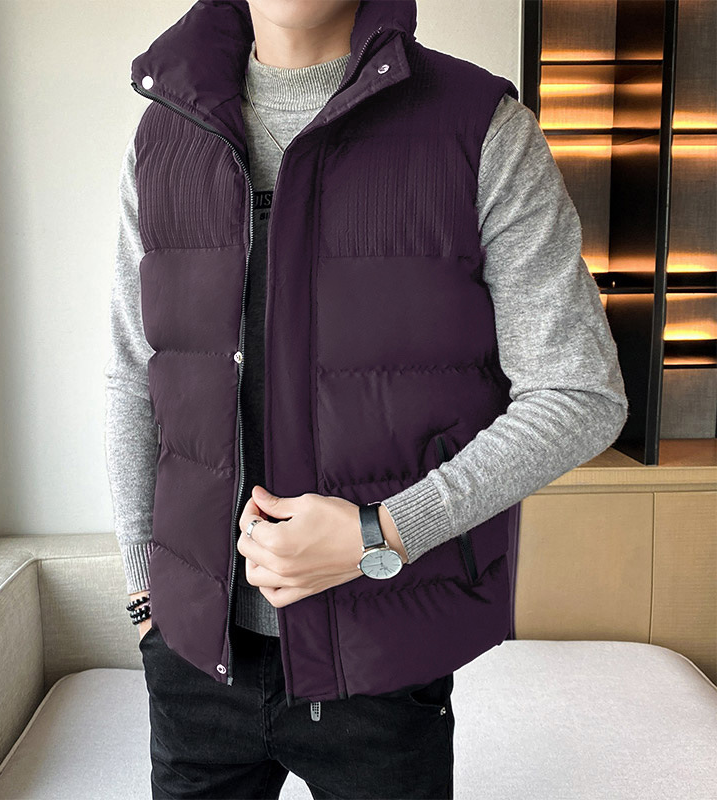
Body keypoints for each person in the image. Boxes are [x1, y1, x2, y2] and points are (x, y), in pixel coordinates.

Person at [104, 1, 628, 797]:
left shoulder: (479, 127)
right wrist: (146, 591)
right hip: (194, 664)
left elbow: (580, 391)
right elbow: (133, 372)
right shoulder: (165, 135)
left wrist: (381, 533)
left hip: (383, 663)